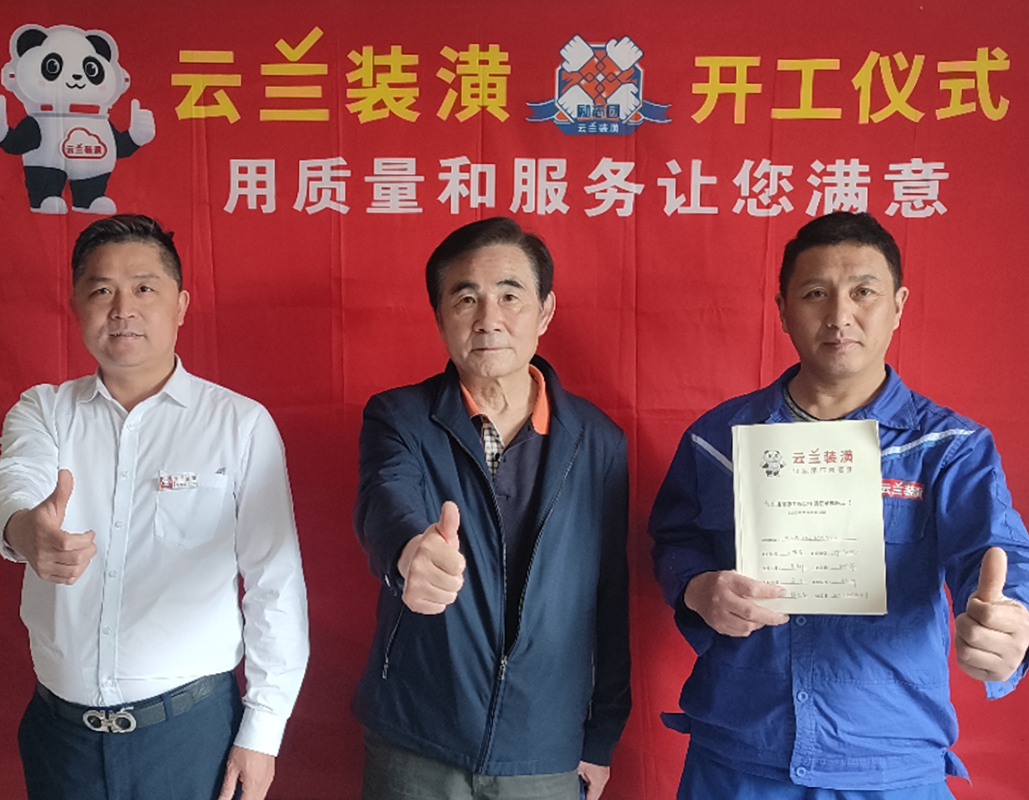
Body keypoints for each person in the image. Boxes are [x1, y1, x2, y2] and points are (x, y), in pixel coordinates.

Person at [649, 211, 1029, 799]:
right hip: (738, 756)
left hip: (889, 764)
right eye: (815, 294)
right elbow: (675, 538)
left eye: (863, 292)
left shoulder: (948, 447)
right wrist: (698, 588)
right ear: (782, 309)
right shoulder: (719, 438)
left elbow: (995, 559)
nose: (839, 316)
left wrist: (1008, 625)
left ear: (898, 305)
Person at [0, 214, 309, 800]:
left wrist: (263, 732)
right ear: (76, 304)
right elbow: (14, 475)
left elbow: (274, 584)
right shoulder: (45, 410)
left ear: (180, 305)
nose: (122, 309)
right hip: (62, 738)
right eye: (101, 290)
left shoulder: (238, 424)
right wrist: (24, 528)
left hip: (191, 736)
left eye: (144, 288)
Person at [352, 217, 630, 800]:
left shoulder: (598, 441)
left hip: (544, 744)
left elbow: (608, 595)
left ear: (545, 311)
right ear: (439, 317)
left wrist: (601, 735)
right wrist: (409, 553)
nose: (488, 319)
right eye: (465, 299)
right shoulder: (400, 418)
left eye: (510, 296)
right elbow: (385, 501)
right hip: (418, 735)